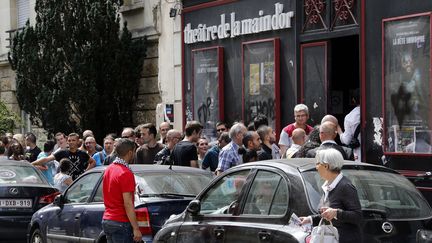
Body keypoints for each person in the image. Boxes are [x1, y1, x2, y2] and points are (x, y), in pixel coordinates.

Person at [299, 148, 363, 243]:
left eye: (318, 163)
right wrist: (310, 219)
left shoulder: (345, 186)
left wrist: (336, 213)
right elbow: (326, 215)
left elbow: (358, 216)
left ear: (326, 166)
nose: (316, 167)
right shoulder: (328, 185)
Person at [102, 138, 142, 243]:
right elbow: (128, 203)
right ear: (130, 153)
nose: (134, 154)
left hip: (108, 219)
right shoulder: (126, 173)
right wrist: (136, 228)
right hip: (121, 221)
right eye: (134, 151)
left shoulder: (109, 168)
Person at [32, 133, 96, 180]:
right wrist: (32, 164)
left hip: (78, 183)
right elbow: (46, 159)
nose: (71, 142)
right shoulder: (62, 152)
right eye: (69, 140)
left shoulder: (82, 153)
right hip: (65, 184)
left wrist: (85, 173)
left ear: (77, 141)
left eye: (73, 140)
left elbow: (93, 162)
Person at [338, 91, 361, 162]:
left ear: (353, 100)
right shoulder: (376, 112)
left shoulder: (350, 116)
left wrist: (339, 131)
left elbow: (347, 140)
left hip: (359, 154)